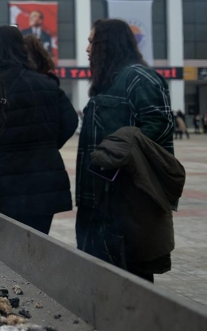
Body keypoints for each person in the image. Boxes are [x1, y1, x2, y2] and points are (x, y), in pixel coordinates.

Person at [76, 19, 176, 282]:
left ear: (108, 44)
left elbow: (159, 126)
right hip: (99, 202)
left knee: (131, 283)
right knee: (100, 278)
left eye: (91, 42)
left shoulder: (139, 78)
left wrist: (116, 154)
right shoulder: (110, 81)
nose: (87, 49)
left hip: (127, 203)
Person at [0, 25, 76, 234]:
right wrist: (47, 145)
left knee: (1, 252)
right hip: (43, 186)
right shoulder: (47, 84)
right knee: (37, 246)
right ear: (22, 49)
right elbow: (70, 122)